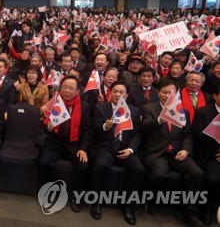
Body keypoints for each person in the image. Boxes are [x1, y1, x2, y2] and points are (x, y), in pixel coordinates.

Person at [141, 79, 205, 226]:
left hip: (177, 152)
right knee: (159, 174)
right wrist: (159, 120)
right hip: (157, 152)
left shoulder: (183, 111)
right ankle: (151, 201)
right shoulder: (149, 108)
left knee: (197, 174)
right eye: (164, 92)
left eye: (171, 93)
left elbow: (187, 134)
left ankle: (190, 212)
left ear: (176, 94)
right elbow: (144, 127)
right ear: (158, 93)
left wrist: (186, 150)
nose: (167, 95)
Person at [89, 81, 144, 225]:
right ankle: (96, 202)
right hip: (105, 147)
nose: (118, 95)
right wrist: (104, 126)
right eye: (115, 91)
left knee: (138, 170)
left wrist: (130, 149)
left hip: (125, 148)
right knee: (100, 165)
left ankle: (129, 207)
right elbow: (94, 130)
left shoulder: (134, 111)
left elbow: (138, 135)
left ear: (126, 95)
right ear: (110, 93)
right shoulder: (101, 108)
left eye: (121, 92)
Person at [40, 75, 90, 213]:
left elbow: (87, 131)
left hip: (73, 144)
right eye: (65, 87)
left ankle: (76, 197)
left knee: (83, 166)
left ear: (78, 91)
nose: (67, 91)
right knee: (44, 163)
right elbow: (43, 125)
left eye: (71, 88)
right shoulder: (54, 102)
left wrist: (83, 149)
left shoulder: (84, 107)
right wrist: (48, 127)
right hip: (54, 142)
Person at [192, 85, 220, 226]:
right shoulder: (203, 112)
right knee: (214, 178)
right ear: (215, 96)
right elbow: (197, 135)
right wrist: (215, 129)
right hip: (208, 154)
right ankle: (207, 210)